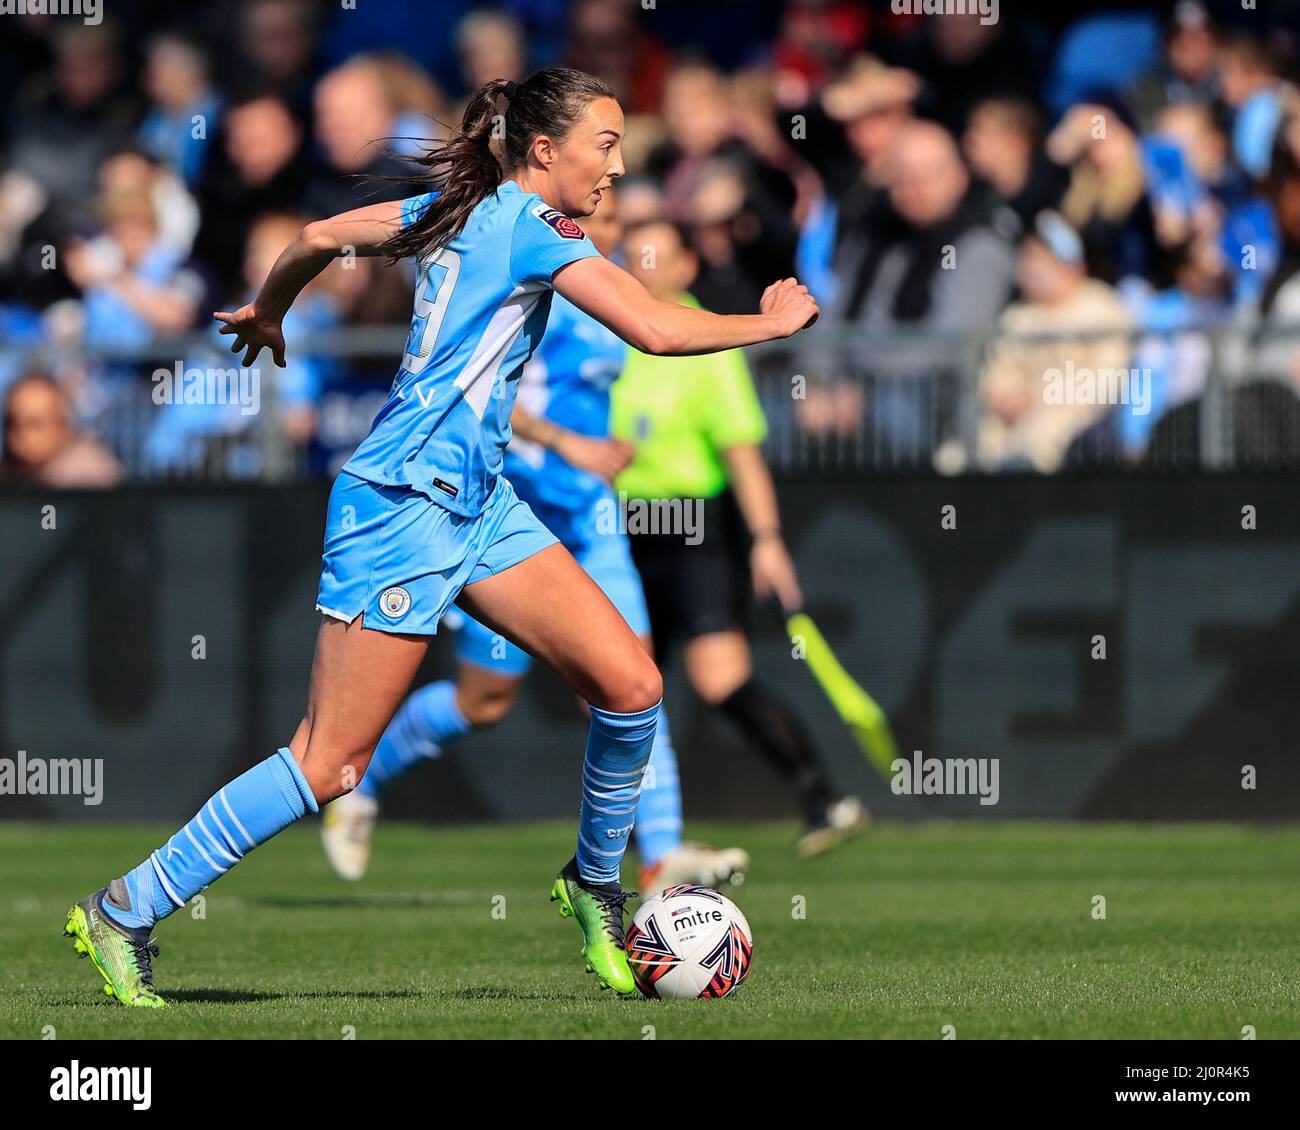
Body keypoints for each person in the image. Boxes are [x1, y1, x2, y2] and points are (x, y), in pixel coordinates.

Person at [63, 66, 819, 1006]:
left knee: (632, 687)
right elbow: (658, 332)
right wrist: (774, 320)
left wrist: (269, 308)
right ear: (546, 150)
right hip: (400, 507)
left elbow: (317, 235)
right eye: (607, 146)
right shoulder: (536, 230)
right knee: (329, 763)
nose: (618, 169)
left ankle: (592, 883)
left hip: (478, 500)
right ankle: (126, 908)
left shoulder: (454, 207)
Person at [320, 193, 749, 893]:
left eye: (615, 224)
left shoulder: (612, 298)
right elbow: (485, 388)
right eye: (600, 219)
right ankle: (356, 782)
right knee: (484, 701)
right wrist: (563, 443)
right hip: (509, 515)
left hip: (591, 520)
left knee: (633, 677)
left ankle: (661, 855)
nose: (604, 232)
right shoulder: (541, 281)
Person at [612, 218, 864, 858]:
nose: (642, 266)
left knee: (719, 678)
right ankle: (640, 838)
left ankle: (822, 797)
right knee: (623, 684)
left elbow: (742, 453)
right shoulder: (609, 326)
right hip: (620, 529)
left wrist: (768, 540)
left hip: (693, 527)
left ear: (686, 266)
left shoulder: (705, 343)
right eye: (634, 255)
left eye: (657, 256)